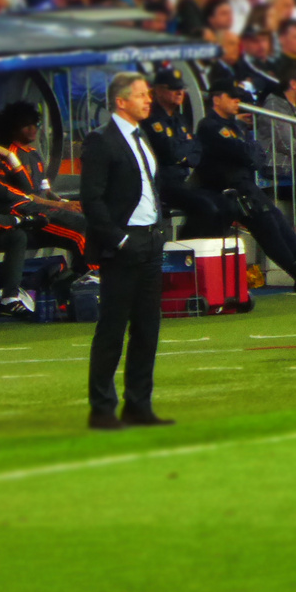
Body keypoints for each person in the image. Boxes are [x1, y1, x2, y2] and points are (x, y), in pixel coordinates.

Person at [79, 72, 171, 430]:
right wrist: (119, 240)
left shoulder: (141, 135)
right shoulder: (101, 141)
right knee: (113, 328)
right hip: (123, 244)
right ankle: (102, 408)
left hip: (150, 240)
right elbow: (92, 199)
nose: (148, 100)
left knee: (148, 328)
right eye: (141, 95)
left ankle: (138, 405)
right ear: (121, 101)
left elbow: (148, 187)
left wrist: (158, 229)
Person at [195, 82, 296, 292]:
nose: (237, 102)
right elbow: (244, 152)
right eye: (232, 97)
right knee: (267, 224)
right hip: (228, 189)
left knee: (276, 220)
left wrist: (248, 152)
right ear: (216, 99)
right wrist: (248, 152)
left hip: (245, 184)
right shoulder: (210, 126)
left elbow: (256, 155)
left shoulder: (236, 127)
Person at [0, 114, 89, 276]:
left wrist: (9, 158)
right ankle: (91, 280)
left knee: (87, 223)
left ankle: (77, 279)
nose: (33, 129)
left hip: (32, 204)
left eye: (36, 125)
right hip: (20, 212)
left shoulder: (23, 155)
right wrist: (60, 205)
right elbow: (15, 194)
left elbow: (34, 189)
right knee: (81, 229)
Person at [142, 68, 225, 238]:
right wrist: (183, 151)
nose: (180, 92)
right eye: (173, 88)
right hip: (163, 183)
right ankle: (183, 249)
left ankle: (205, 252)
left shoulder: (178, 118)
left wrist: (183, 154)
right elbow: (170, 152)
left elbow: (196, 150)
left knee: (226, 205)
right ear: (158, 90)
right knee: (205, 208)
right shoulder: (151, 118)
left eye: (181, 88)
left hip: (182, 180)